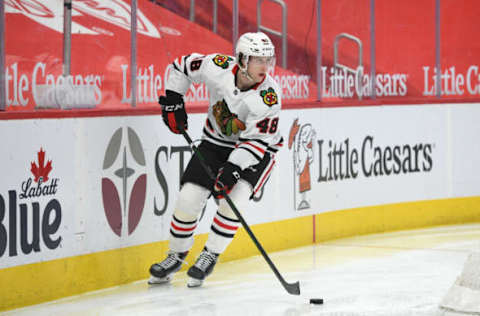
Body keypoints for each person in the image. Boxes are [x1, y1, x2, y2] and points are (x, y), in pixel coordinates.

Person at [149, 32, 283, 288]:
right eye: (258, 60)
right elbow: (182, 66)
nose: (265, 67)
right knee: (188, 198)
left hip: (256, 152)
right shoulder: (217, 66)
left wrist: (233, 169)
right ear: (242, 59)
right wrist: (174, 99)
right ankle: (175, 256)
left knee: (233, 202)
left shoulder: (269, 96)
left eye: (268, 60)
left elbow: (257, 141)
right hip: (214, 143)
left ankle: (210, 253)